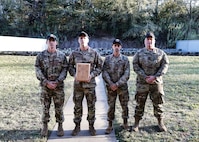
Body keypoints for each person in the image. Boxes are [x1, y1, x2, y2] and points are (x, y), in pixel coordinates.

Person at [132, 32, 169, 132]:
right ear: (144, 41)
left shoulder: (161, 53)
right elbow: (135, 65)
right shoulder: (139, 53)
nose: (149, 41)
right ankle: (136, 124)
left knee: (158, 104)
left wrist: (155, 76)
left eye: (151, 39)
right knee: (139, 104)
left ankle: (160, 123)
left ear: (154, 41)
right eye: (147, 39)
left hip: (156, 84)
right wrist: (145, 77)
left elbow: (165, 65)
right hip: (142, 83)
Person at [68, 31, 103, 136]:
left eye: (84, 38)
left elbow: (100, 66)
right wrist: (75, 74)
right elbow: (69, 67)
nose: (82, 40)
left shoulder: (94, 53)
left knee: (91, 106)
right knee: (77, 106)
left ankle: (91, 126)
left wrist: (91, 75)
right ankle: (77, 126)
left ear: (88, 40)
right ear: (78, 40)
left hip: (90, 85)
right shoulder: (74, 54)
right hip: (78, 85)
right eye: (81, 38)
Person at [35, 34, 68, 137]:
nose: (51, 42)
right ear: (47, 42)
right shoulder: (40, 56)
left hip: (58, 87)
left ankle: (60, 125)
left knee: (59, 107)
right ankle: (45, 126)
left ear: (56, 42)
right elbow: (37, 70)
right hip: (45, 87)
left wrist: (57, 81)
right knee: (45, 107)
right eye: (49, 40)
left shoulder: (62, 56)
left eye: (53, 40)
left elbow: (64, 70)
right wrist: (46, 82)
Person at [102, 39, 130, 134]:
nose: (117, 47)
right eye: (115, 45)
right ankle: (110, 125)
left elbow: (127, 74)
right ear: (112, 47)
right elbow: (104, 72)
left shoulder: (125, 60)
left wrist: (117, 84)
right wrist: (111, 84)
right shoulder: (107, 59)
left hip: (122, 87)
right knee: (111, 106)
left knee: (124, 106)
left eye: (118, 45)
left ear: (121, 47)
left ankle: (125, 123)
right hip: (110, 88)